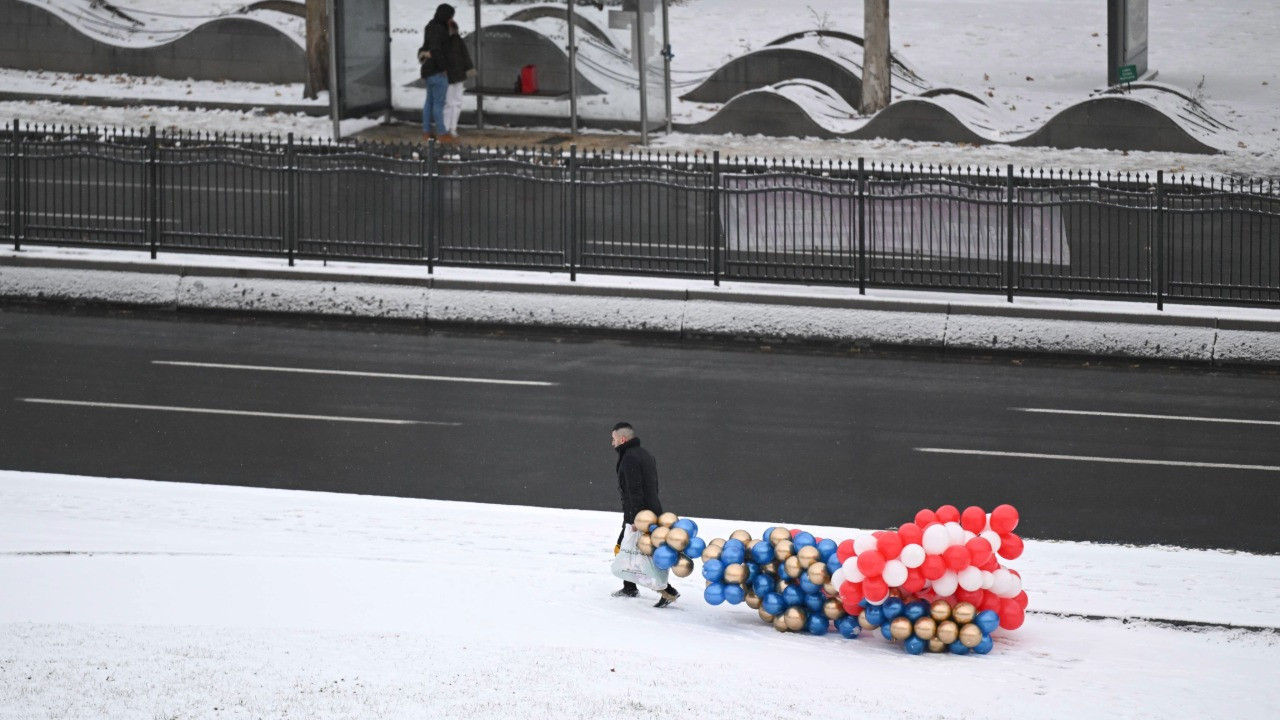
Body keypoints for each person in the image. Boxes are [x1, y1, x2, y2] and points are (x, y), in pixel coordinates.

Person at [611, 422, 681, 608]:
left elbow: (634, 491)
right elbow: (653, 487)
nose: (613, 443)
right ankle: (629, 586)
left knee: (638, 553)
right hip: (651, 511)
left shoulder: (629, 458)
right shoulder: (646, 455)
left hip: (639, 515)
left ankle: (668, 591)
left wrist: (636, 519)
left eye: (614, 439)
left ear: (623, 439)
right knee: (629, 550)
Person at [417, 4, 455, 142]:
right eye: (451, 16)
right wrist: (444, 67)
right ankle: (442, 133)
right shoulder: (441, 29)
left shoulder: (430, 26)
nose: (451, 19)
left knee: (429, 102)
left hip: (428, 70)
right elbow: (436, 50)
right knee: (438, 103)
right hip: (437, 71)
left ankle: (427, 131)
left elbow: (426, 47)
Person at [442, 18, 476, 138]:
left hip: (452, 76)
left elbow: (464, 56)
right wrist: (470, 70)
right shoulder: (454, 41)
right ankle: (449, 128)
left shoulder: (448, 41)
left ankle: (449, 128)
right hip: (455, 76)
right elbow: (465, 56)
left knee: (451, 103)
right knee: (453, 102)